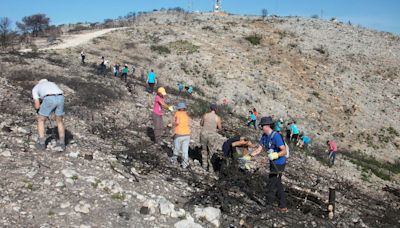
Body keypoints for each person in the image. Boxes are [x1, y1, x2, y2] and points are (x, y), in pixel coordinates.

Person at [251, 116, 288, 213]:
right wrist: (250, 156)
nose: (261, 127)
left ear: (267, 126)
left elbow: (284, 151)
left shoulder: (276, 136)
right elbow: (259, 149)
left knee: (272, 183)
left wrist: (276, 154)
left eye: (262, 126)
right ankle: (283, 205)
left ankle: (268, 205)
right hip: (272, 162)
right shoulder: (264, 136)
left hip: (279, 163)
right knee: (278, 183)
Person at [32, 79, 66, 151]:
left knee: (41, 120)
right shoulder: (52, 83)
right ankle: (62, 143)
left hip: (49, 98)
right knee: (59, 121)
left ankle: (41, 144)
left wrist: (38, 109)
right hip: (61, 97)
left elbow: (37, 106)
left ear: (38, 82)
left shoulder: (36, 88)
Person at [200, 103, 222, 173]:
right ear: (216, 109)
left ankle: (204, 166)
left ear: (210, 108)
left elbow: (201, 123)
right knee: (211, 151)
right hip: (212, 135)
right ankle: (210, 168)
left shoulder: (205, 115)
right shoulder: (217, 117)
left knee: (204, 150)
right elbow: (220, 128)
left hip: (203, 134)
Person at [170, 102, 191, 169]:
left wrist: (171, 125)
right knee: (185, 150)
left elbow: (177, 123)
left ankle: (173, 161)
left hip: (179, 134)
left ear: (178, 108)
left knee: (176, 148)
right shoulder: (186, 114)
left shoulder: (177, 113)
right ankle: (185, 164)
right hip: (187, 134)